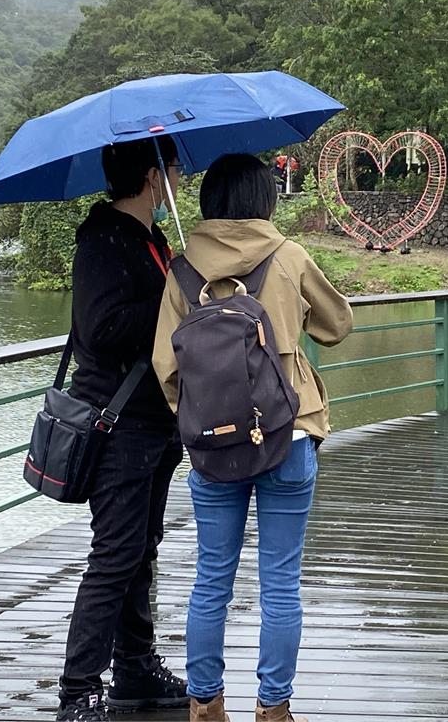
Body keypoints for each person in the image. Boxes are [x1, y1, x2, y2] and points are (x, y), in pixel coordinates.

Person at [152, 153, 353, 722]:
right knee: (281, 582)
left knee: (211, 577)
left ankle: (205, 703)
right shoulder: (288, 257)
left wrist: (200, 419)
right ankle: (272, 708)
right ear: (265, 200)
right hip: (288, 434)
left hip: (212, 446)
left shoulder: (182, 270)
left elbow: (167, 368)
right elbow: (337, 327)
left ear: (210, 202)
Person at [57, 136, 189, 721]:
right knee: (114, 554)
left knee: (141, 549)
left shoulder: (149, 238)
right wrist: (174, 297)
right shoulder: (103, 239)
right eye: (175, 169)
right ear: (152, 176)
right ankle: (78, 689)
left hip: (155, 423)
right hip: (119, 424)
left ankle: (135, 666)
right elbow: (100, 329)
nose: (180, 181)